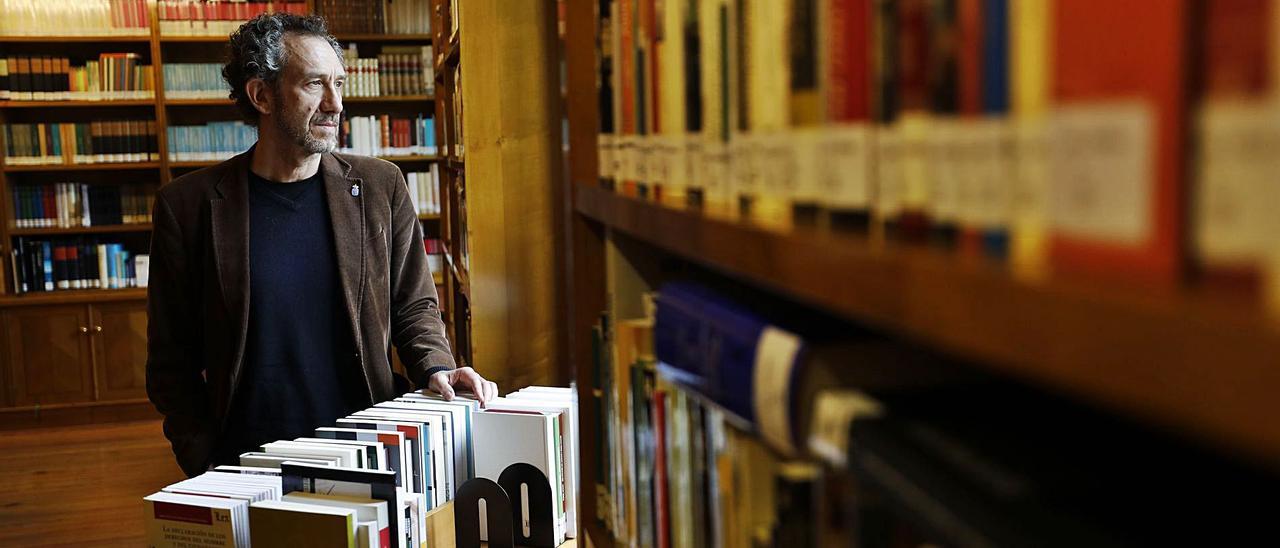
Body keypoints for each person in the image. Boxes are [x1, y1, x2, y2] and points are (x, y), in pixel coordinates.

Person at [145, 13, 496, 477]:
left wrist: (436, 368)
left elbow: (413, 307)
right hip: (248, 462)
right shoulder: (187, 206)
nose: (335, 104)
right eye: (314, 84)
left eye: (340, 83)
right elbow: (171, 360)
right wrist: (202, 456)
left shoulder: (380, 186)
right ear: (261, 95)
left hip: (369, 448)